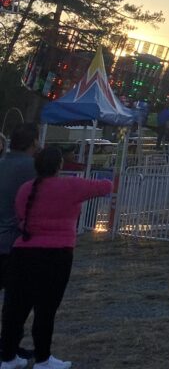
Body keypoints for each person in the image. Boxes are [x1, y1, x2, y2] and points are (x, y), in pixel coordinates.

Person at [0, 145, 113, 369]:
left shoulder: (26, 189)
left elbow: (20, 214)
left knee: (16, 309)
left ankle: (8, 357)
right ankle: (43, 358)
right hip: (56, 254)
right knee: (46, 309)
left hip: (23, 251)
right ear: (60, 165)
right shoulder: (70, 186)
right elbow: (106, 186)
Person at [0, 125, 39, 363]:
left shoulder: (2, 164)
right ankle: (9, 348)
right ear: (33, 143)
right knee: (16, 303)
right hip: (15, 243)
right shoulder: (32, 168)